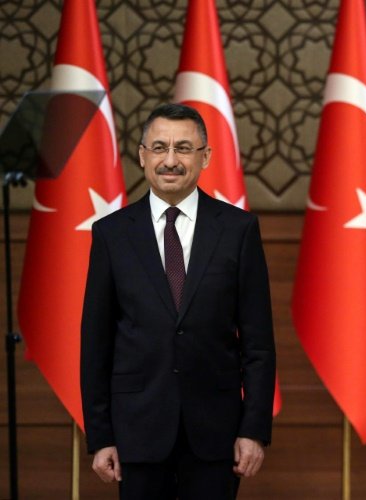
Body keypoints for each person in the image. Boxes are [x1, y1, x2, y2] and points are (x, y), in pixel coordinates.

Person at [81, 103, 276, 499]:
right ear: (142, 155)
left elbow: (258, 345)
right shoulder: (111, 234)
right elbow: (96, 345)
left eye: (184, 148)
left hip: (216, 435)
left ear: (205, 157)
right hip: (136, 433)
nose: (170, 160)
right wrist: (100, 437)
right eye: (159, 147)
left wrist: (253, 430)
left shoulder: (238, 230)